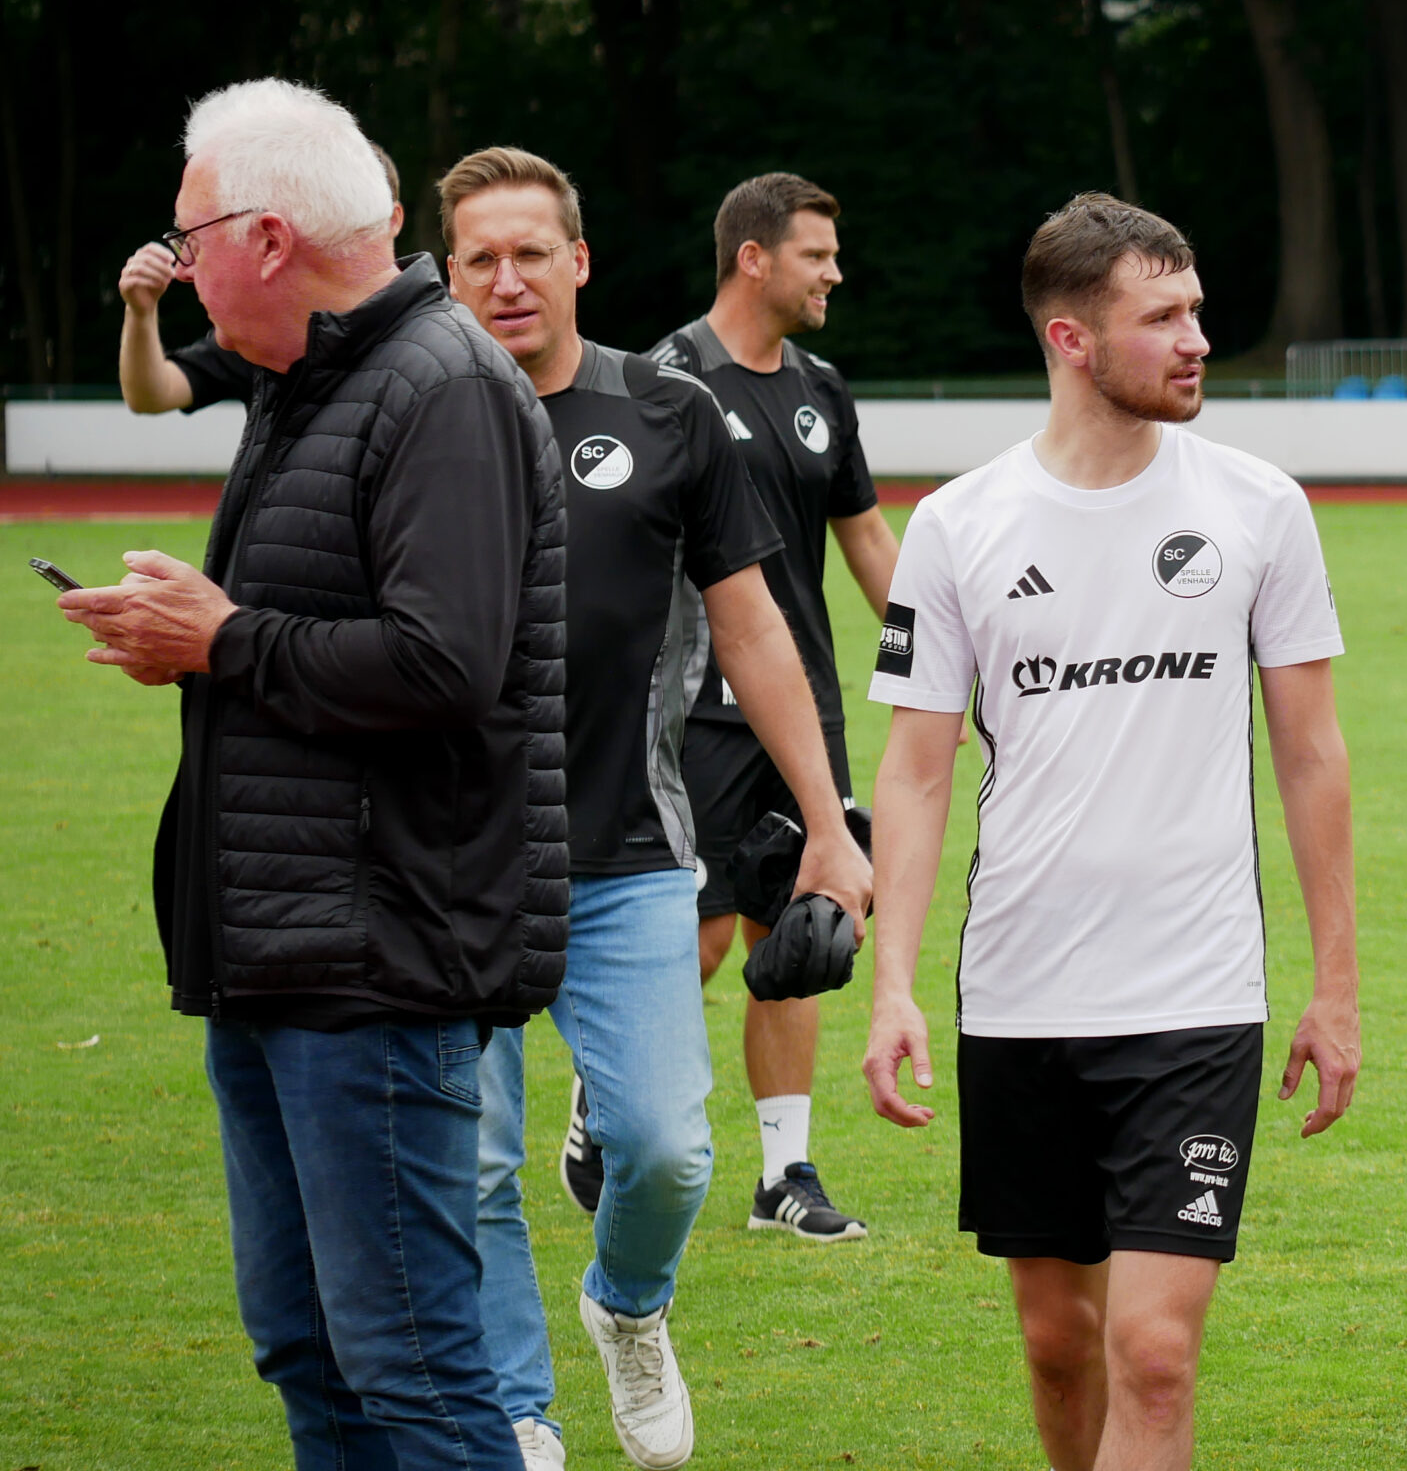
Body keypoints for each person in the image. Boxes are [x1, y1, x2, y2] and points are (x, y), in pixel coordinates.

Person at [59, 79, 563, 1470]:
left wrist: (225, 640)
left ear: (267, 237)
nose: (179, 259)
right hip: (286, 953)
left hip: (374, 962)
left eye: (191, 231)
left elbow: (446, 665)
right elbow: (325, 643)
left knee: (409, 1369)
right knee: (313, 1352)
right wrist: (196, 647)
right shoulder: (317, 382)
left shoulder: (440, 386)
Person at [861, 192, 1360, 1471]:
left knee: (1154, 1348)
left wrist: (1337, 986)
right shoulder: (958, 526)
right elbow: (915, 775)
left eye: (1197, 308)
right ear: (1071, 340)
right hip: (1020, 994)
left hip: (1194, 995)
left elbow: (1311, 753)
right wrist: (894, 985)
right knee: (1058, 1342)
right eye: (1164, 317)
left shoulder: (1258, 506)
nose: (1198, 338)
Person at [441, 147, 873, 1470]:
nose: (507, 279)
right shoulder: (413, 415)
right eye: (479, 260)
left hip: (631, 853)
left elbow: (752, 632)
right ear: (447, 277)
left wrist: (831, 824)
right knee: (475, 1172)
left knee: (667, 1152)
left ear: (579, 261)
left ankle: (628, 1310)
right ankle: (517, 1407)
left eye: (531, 253)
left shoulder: (669, 411)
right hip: (446, 863)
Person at [633, 173, 899, 1242]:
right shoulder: (661, 379)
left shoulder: (822, 388)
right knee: (686, 941)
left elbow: (869, 542)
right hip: (689, 711)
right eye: (816, 254)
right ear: (754, 257)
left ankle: (783, 1172)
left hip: (800, 709)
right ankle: (611, 1111)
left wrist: (952, 659)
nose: (835, 271)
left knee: (801, 936)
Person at [117, 142, 406, 416]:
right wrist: (140, 312)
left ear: (394, 219)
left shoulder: (425, 336)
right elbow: (152, 395)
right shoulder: (270, 330)